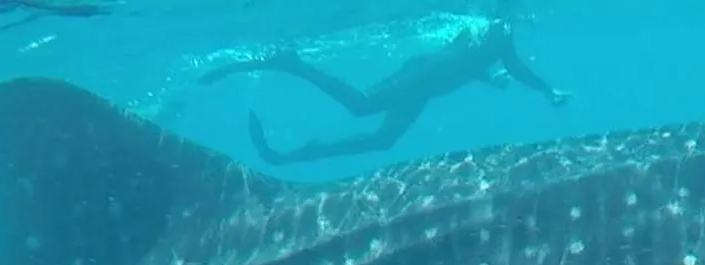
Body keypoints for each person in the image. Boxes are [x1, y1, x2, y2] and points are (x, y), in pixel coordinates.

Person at [198, 13, 570, 166]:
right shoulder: (495, 34)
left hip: (422, 87)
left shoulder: (492, 38)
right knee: (360, 106)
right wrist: (548, 91)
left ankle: (291, 156)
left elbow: (463, 65)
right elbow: (509, 69)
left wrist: (487, 78)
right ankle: (295, 65)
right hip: (417, 80)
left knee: (382, 141)